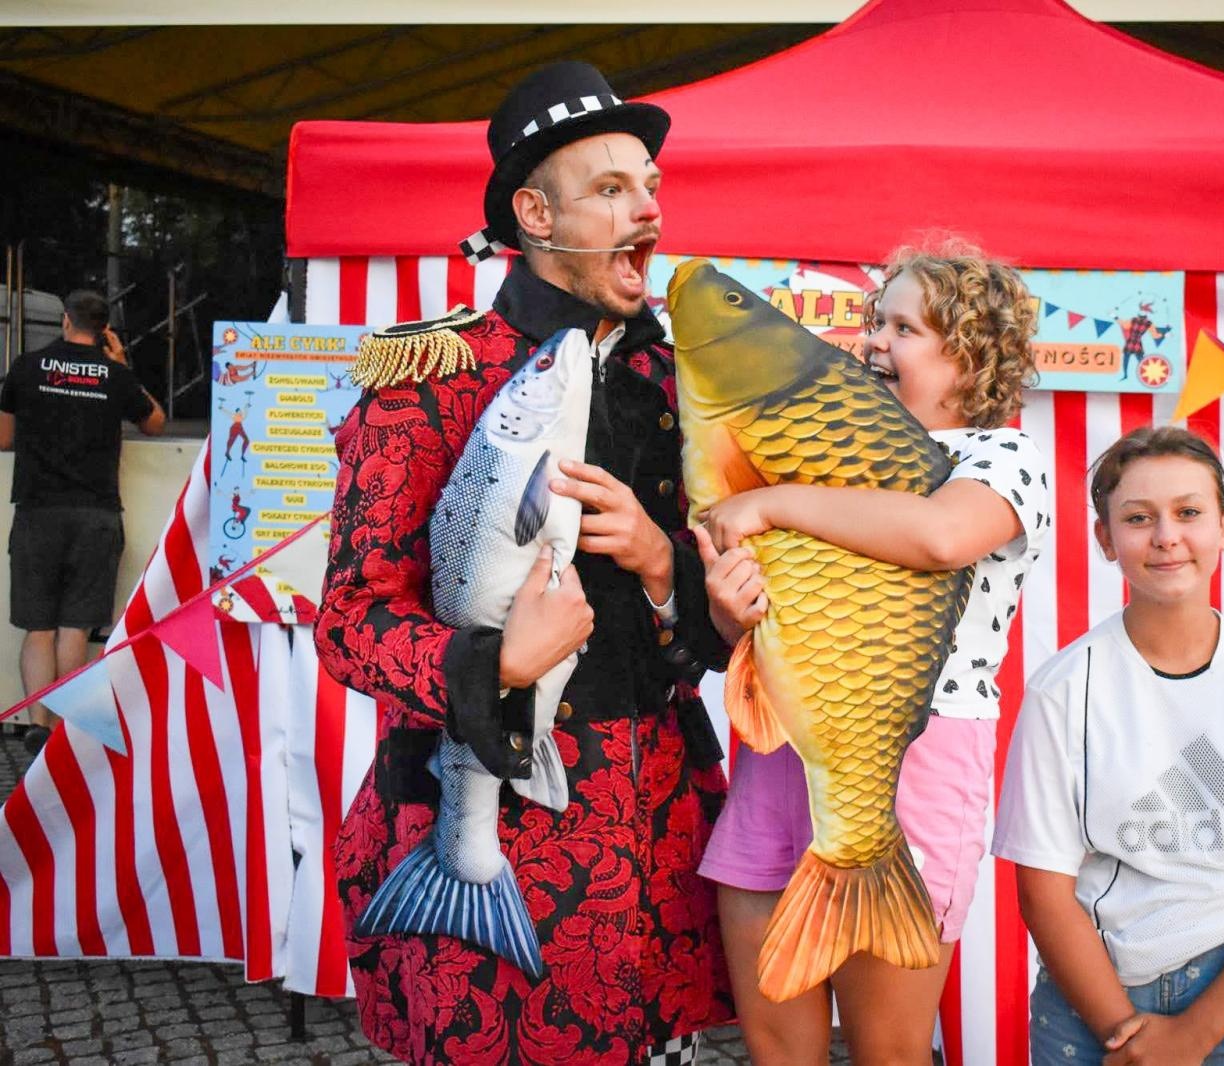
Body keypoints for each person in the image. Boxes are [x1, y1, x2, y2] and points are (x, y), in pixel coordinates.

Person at [314, 62, 732, 1064]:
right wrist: (496, 660)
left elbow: (717, 621)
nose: (648, 210)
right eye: (610, 189)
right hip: (496, 838)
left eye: (650, 187)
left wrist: (666, 569)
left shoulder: (677, 379)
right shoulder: (434, 375)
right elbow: (352, 620)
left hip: (661, 835)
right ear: (536, 215)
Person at [693, 242, 1051, 1065]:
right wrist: (730, 609)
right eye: (874, 322)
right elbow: (754, 622)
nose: (873, 342)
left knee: (888, 1050)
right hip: (782, 754)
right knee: (776, 1049)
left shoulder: (1002, 458)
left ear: (970, 353)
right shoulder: (826, 458)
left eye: (904, 328)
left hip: (913, 756)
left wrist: (773, 501)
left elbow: (939, 536)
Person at [991, 426, 1224, 1066]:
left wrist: (1196, 1035)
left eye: (1188, 512)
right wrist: (1128, 1035)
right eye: (1138, 518)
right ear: (1105, 539)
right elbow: (1043, 890)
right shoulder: (1061, 691)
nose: (1166, 536)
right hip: (1095, 996)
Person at [0, 289, 165, 757]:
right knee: (74, 628)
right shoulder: (115, 376)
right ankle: (62, 730)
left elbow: (4, 438)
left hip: (38, 512)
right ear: (105, 330)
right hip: (96, 515)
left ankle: (37, 723)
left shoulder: (26, 368)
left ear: (65, 321)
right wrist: (122, 364)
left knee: (38, 628)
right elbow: (155, 422)